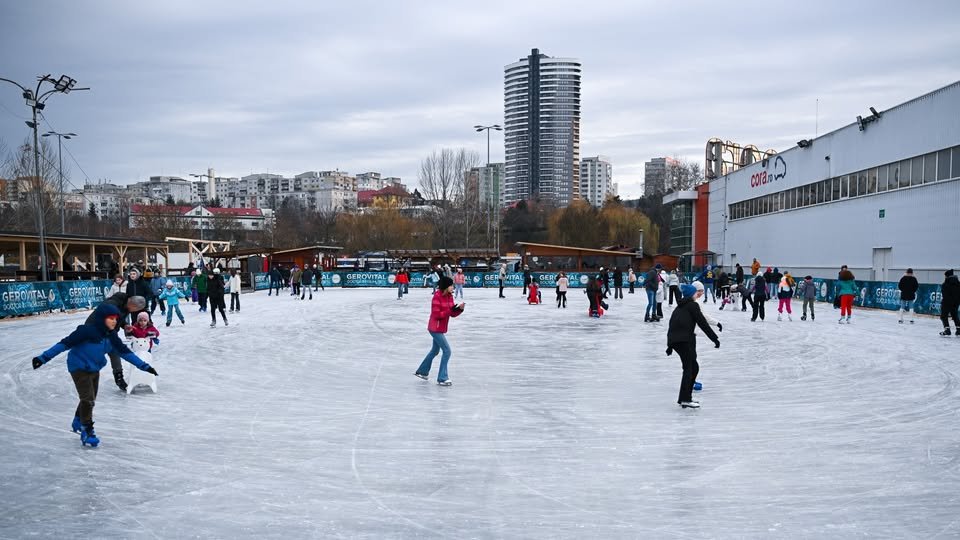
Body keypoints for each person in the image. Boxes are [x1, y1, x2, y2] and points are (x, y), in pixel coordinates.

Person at [31, 303, 158, 447]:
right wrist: (43, 358)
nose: (114, 321)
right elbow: (63, 344)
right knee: (88, 399)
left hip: (94, 368)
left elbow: (125, 353)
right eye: (110, 318)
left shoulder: (111, 336)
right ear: (102, 319)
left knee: (90, 398)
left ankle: (77, 420)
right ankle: (87, 431)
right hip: (78, 366)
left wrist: (144, 366)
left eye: (116, 319)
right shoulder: (86, 331)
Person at [665, 283, 720, 409]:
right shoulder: (692, 305)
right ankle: (685, 398)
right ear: (692, 294)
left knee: (692, 367)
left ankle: (684, 398)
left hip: (678, 341)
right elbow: (702, 323)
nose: (697, 294)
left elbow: (672, 325)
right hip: (684, 341)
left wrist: (670, 345)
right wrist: (715, 339)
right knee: (690, 368)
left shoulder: (679, 307)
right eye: (696, 292)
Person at [414, 276, 464, 386]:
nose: (452, 287)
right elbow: (437, 315)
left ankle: (422, 371)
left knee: (435, 351)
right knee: (447, 351)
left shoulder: (450, 296)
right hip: (434, 328)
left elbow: (451, 313)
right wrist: (449, 310)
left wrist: (459, 309)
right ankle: (442, 377)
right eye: (451, 285)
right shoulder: (437, 297)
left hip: (441, 328)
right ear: (446, 286)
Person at [940, 269, 960, 336]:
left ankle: (947, 330)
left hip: (947, 302)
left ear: (947, 276)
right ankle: (959, 329)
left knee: (944, 316)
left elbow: (944, 295)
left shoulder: (945, 284)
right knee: (955, 315)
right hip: (956, 302)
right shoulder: (958, 283)